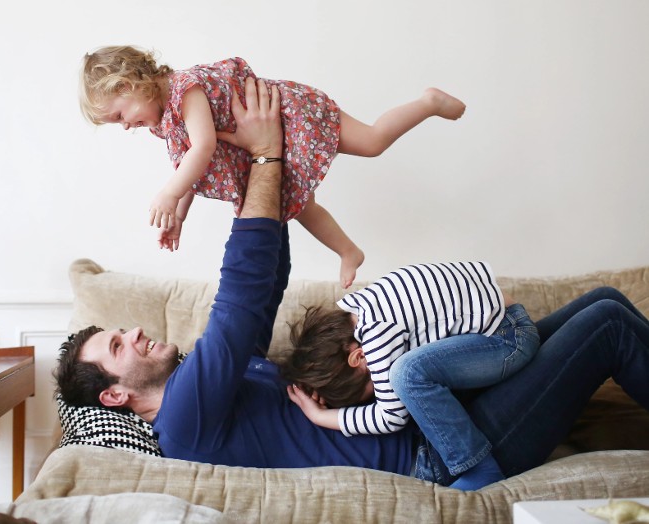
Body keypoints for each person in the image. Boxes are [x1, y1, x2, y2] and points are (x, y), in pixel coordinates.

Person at [57, 77, 649, 488]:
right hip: (442, 452)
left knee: (600, 301)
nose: (133, 332)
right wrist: (265, 158)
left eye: (120, 331)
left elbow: (260, 292)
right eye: (117, 346)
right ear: (115, 397)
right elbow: (236, 309)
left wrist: (266, 179)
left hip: (445, 407)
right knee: (607, 324)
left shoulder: (208, 387)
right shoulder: (184, 417)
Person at [78, 46, 466, 287]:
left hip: (289, 115)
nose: (125, 126)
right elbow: (189, 165)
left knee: (372, 142)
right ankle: (349, 250)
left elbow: (205, 146)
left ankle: (429, 102)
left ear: (132, 83)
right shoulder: (164, 122)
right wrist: (179, 216)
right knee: (297, 207)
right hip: (262, 145)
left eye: (119, 115)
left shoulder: (185, 88)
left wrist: (168, 192)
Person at [280, 262, 540, 489]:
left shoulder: (376, 336)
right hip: (506, 322)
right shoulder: (362, 304)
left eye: (369, 387)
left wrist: (321, 416)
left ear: (358, 358)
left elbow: (391, 417)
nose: (378, 391)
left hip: (507, 339)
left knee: (404, 375)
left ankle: (477, 469)